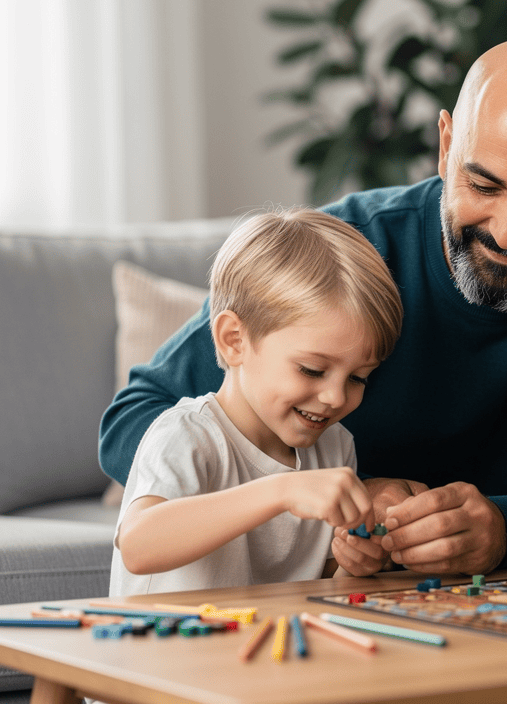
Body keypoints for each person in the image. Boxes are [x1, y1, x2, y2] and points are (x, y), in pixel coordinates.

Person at [100, 37, 507, 577]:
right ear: (446, 147)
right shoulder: (346, 252)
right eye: (484, 185)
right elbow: (136, 418)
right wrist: (320, 498)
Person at [109, 207, 404, 596]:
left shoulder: (335, 448)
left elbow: (320, 579)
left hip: (262, 647)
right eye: (312, 370)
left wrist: (352, 564)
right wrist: (281, 492)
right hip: (160, 651)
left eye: (357, 378)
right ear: (234, 340)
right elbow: (138, 545)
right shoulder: (188, 435)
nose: (336, 397)